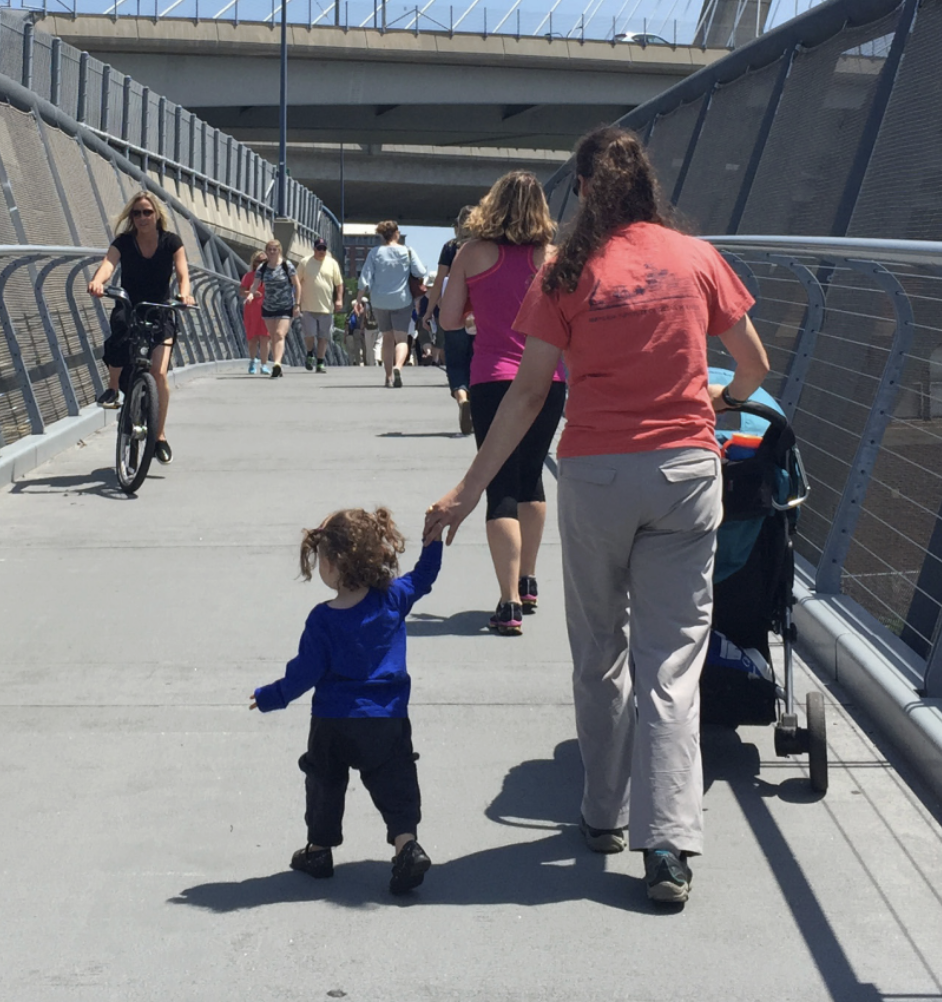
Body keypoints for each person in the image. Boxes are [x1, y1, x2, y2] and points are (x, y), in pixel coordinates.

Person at [424, 125, 771, 909]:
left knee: (599, 650)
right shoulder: (698, 257)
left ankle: (602, 815)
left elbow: (527, 394)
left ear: (581, 192)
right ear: (647, 183)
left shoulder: (567, 272)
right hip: (685, 472)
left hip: (595, 476)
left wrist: (468, 491)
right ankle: (669, 847)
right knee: (673, 663)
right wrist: (720, 402)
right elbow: (753, 365)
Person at [250, 507, 441, 895]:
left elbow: (304, 673)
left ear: (332, 565)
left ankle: (319, 850)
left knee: (324, 780)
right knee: (396, 778)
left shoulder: (322, 620)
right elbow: (424, 577)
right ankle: (407, 845)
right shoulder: (392, 599)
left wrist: (271, 697)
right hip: (385, 718)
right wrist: (433, 542)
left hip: (333, 721)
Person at [438, 171, 565, 638]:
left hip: (493, 380)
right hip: (550, 378)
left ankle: (508, 602)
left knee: (499, 485)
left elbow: (451, 319)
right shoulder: (553, 258)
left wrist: (482, 313)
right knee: (531, 476)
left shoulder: (471, 253)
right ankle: (529, 580)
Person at [87, 190, 193, 464]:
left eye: (147, 212)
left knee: (158, 374)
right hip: (130, 303)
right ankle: (112, 387)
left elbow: (183, 273)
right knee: (120, 328)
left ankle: (159, 436)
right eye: (137, 213)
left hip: (161, 308)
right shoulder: (124, 242)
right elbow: (108, 265)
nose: (143, 217)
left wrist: (184, 293)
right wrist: (99, 281)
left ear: (157, 214)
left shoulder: (171, 242)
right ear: (131, 217)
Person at [356, 220, 426, 387]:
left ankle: (388, 377)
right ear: (397, 234)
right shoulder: (407, 251)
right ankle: (398, 368)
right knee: (401, 339)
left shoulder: (375, 253)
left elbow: (365, 279)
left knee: (387, 338)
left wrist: (358, 300)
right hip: (402, 300)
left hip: (379, 300)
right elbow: (420, 271)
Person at [435, 208, 476, 435]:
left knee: (456, 362)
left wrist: (428, 310)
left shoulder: (451, 248)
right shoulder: (486, 246)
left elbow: (440, 280)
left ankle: (462, 399)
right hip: (479, 315)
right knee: (477, 362)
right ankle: (479, 409)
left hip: (454, 313)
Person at [296, 237, 344, 373]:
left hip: (326, 307)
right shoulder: (305, 262)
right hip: (308, 306)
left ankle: (320, 362)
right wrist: (297, 301)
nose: (322, 251)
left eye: (324, 249)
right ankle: (310, 352)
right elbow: (296, 281)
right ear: (314, 249)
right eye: (319, 248)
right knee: (309, 335)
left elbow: (339, 283)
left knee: (324, 336)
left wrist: (339, 299)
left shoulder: (332, 263)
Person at [254, 239, 299, 378]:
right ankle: (277, 364)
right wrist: (250, 294)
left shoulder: (287, 266)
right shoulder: (262, 267)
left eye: (275, 249)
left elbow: (297, 285)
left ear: (279, 251)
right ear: (266, 251)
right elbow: (255, 284)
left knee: (280, 334)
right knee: (273, 337)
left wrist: (297, 304)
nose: (272, 252)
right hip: (269, 306)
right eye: (270, 249)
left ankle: (277, 364)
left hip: (285, 306)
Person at [239, 248, 268, 374]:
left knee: (266, 337)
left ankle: (264, 364)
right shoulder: (249, 276)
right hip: (252, 309)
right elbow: (241, 291)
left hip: (267, 309)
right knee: (253, 338)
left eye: (264, 261)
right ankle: (252, 360)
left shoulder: (271, 276)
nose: (261, 263)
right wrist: (250, 293)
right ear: (254, 262)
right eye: (258, 261)